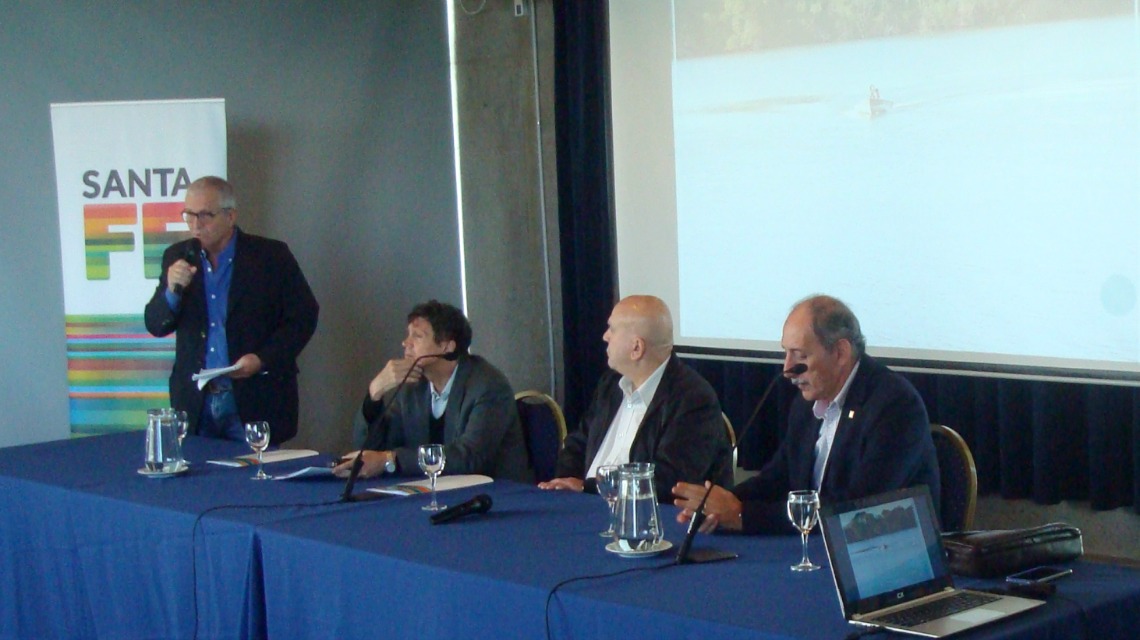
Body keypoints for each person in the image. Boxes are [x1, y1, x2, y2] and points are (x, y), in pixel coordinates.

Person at [673, 294, 939, 534]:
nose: (787, 369)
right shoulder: (806, 404)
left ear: (840, 352)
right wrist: (718, 503)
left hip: (882, 550)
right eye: (786, 353)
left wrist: (743, 514)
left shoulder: (894, 406)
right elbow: (779, 479)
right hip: (813, 545)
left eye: (799, 355)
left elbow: (856, 509)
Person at [144, 176, 319, 445]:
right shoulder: (177, 256)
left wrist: (262, 359)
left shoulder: (270, 256)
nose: (195, 225)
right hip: (197, 403)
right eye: (189, 215)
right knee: (197, 471)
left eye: (205, 215)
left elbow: (303, 317)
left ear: (230, 216)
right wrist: (171, 289)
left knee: (258, 470)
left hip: (254, 398)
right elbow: (156, 324)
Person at [539, 295, 731, 500]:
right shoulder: (611, 384)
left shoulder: (693, 398)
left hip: (645, 513)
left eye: (612, 329)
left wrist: (588, 488)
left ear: (636, 348)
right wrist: (565, 484)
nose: (605, 336)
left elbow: (668, 481)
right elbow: (578, 445)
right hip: (583, 505)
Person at [334, 300, 532, 483]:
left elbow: (469, 458)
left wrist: (390, 459)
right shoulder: (413, 385)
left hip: (495, 495)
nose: (405, 343)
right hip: (432, 491)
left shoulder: (488, 386)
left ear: (447, 346)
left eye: (417, 336)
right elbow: (373, 449)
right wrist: (375, 393)